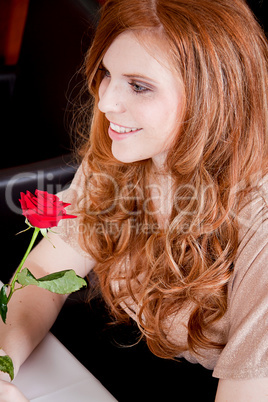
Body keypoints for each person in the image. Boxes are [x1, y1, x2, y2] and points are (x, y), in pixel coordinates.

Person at [0, 0, 268, 400]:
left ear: (212, 98)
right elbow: (46, 271)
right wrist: (3, 365)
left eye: (139, 86)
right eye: (107, 73)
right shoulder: (129, 147)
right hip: (126, 357)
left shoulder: (259, 220)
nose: (106, 102)